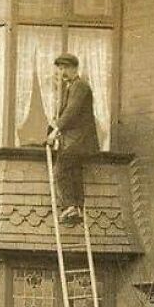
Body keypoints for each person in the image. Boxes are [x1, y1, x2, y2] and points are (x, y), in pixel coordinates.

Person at [47, 53, 100, 225]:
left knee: (60, 170)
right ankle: (77, 208)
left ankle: (70, 206)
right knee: (74, 172)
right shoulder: (70, 88)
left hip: (78, 140)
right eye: (60, 68)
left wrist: (56, 130)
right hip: (75, 141)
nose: (62, 72)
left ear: (75, 68)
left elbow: (72, 111)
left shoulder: (80, 86)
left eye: (65, 68)